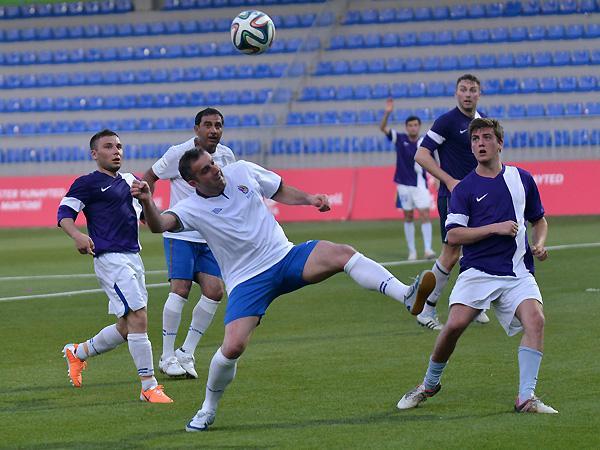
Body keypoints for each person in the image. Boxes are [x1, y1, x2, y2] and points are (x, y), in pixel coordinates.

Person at [131, 148, 437, 431]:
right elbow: (159, 225)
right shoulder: (190, 208)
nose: (215, 170)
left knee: (342, 253)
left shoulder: (241, 170)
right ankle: (207, 409)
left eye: (213, 163)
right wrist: (146, 200)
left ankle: (405, 295)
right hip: (247, 281)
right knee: (233, 347)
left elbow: (278, 189)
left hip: (284, 256)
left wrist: (310, 198)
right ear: (192, 181)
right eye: (206, 170)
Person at [397, 118, 557, 414]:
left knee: (536, 320)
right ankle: (428, 384)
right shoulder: (464, 188)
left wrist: (539, 243)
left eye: (486, 138)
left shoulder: (522, 178)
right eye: (475, 139)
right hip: (478, 271)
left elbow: (539, 220)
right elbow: (454, 235)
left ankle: (526, 398)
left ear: (500, 143)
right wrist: (495, 228)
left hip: (517, 272)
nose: (480, 143)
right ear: (471, 147)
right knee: (454, 325)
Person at [58, 129, 172, 403]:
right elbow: (64, 214)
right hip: (110, 259)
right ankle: (148, 387)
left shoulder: (133, 181)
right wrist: (77, 235)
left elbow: (151, 222)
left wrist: (147, 199)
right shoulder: (86, 183)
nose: (116, 151)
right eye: (108, 146)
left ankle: (78, 352)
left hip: (134, 258)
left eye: (119, 146)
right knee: (139, 318)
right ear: (95, 153)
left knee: (127, 326)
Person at [142, 108, 235, 379]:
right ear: (197, 129)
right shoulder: (178, 153)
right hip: (180, 233)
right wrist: (144, 208)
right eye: (208, 125)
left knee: (215, 291)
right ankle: (166, 356)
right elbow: (149, 176)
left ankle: (186, 352)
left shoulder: (227, 156)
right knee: (180, 289)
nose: (213, 130)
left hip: (210, 235)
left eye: (218, 125)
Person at [414, 73, 489, 331]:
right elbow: (421, 154)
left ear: (479, 93)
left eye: (472, 90)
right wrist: (448, 180)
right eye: (463, 89)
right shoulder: (447, 121)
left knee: (478, 250)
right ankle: (426, 308)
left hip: (477, 198)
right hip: (453, 198)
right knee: (451, 253)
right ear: (456, 93)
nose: (468, 94)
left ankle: (474, 305)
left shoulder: (481, 121)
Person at [379, 98, 435, 261]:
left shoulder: (424, 142)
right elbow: (383, 128)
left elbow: (433, 159)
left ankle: (428, 249)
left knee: (425, 214)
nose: (413, 127)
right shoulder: (400, 138)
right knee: (408, 216)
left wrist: (437, 178)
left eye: (415, 125)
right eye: (410, 125)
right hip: (403, 185)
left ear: (419, 126)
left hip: (419, 184)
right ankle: (412, 251)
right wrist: (387, 113)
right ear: (406, 127)